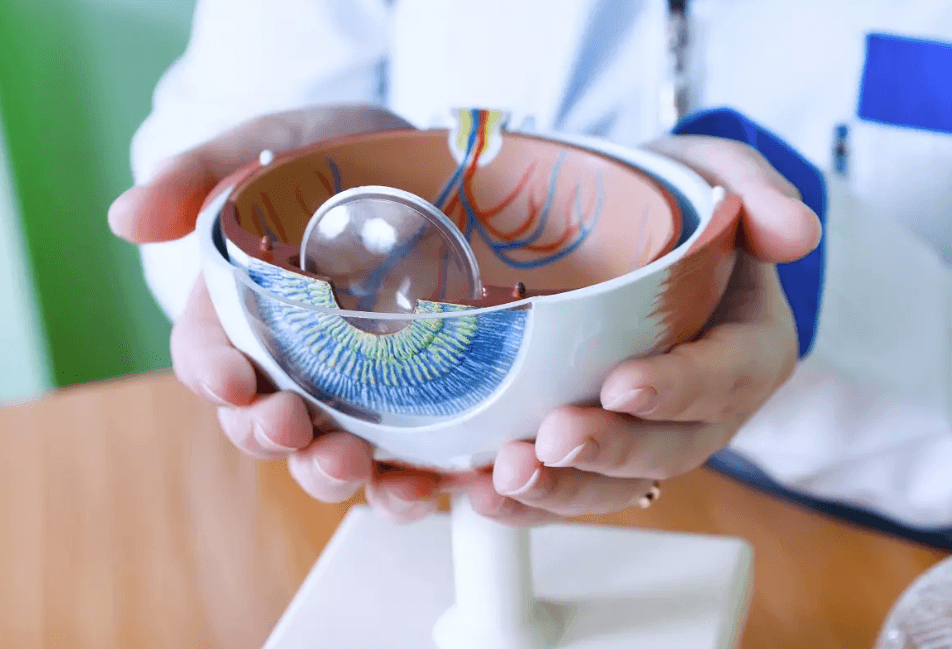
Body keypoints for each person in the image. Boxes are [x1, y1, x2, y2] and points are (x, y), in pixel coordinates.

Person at [109, 0, 952, 535]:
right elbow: (220, 135)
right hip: (472, 494)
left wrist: (781, 280)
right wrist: (253, 234)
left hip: (876, 518)